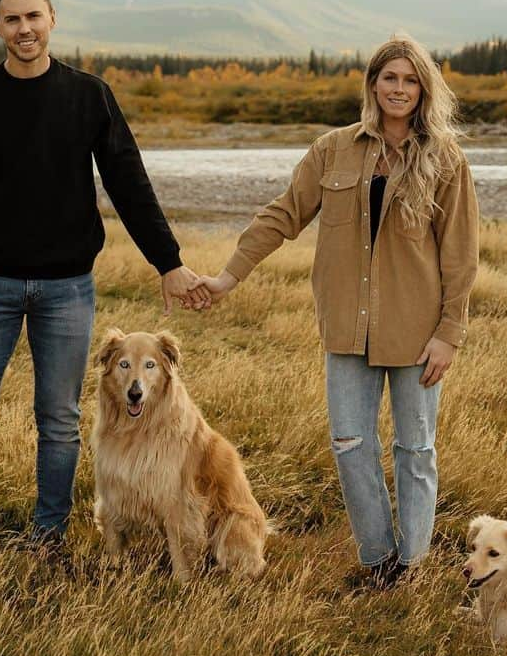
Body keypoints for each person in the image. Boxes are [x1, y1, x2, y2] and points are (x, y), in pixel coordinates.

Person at [0, 0, 208, 557]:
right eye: (11, 19)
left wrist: (169, 262)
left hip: (66, 289)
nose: (24, 29)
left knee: (58, 419)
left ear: (52, 19)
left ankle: (48, 538)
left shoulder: (89, 97)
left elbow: (129, 182)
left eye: (33, 17)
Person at [198, 33, 479, 586]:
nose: (399, 89)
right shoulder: (333, 149)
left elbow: (461, 255)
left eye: (410, 80)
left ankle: (413, 563)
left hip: (417, 332)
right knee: (351, 446)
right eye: (390, 78)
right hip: (346, 330)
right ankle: (379, 563)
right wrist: (228, 276)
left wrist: (449, 333)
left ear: (424, 90)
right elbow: (283, 215)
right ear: (373, 84)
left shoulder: (446, 160)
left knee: (414, 449)